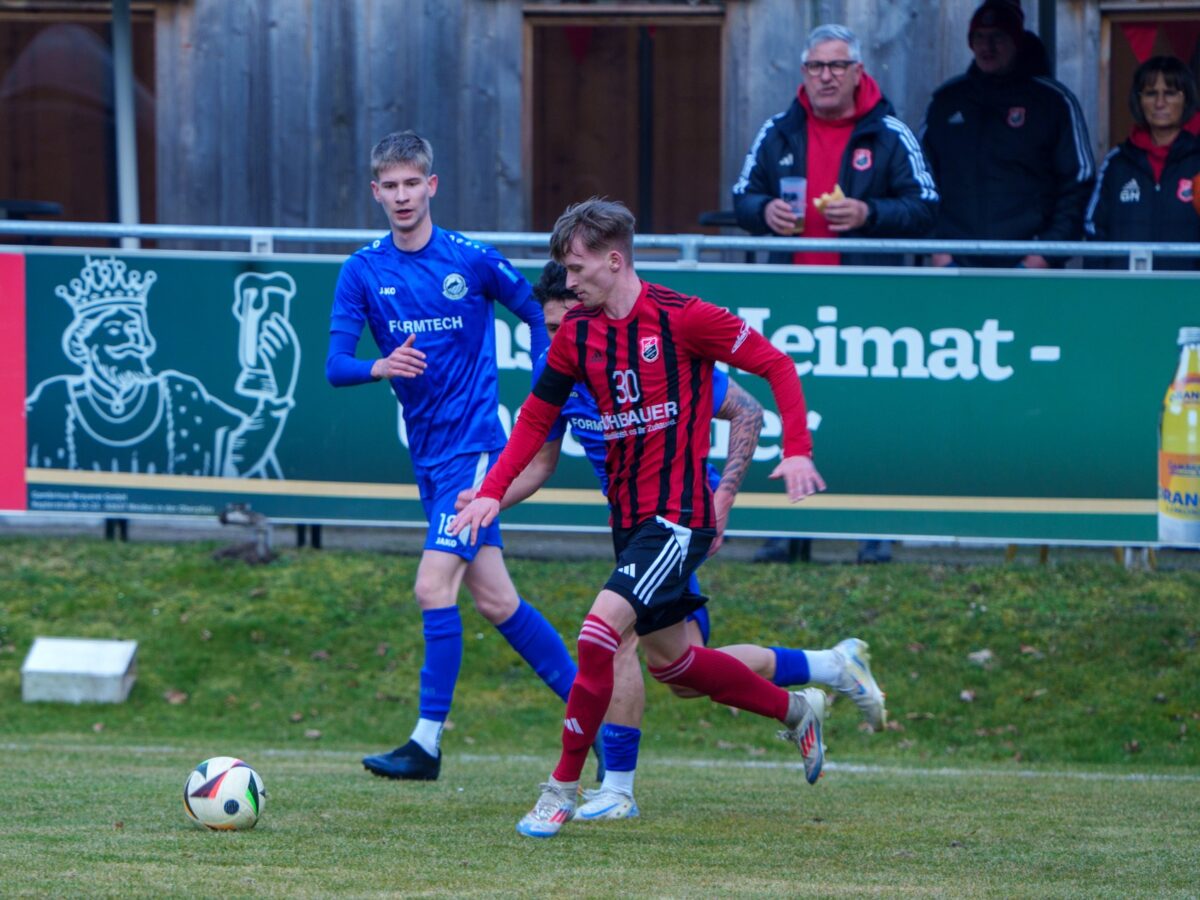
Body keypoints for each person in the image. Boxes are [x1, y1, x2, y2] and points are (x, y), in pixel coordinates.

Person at [454, 198, 839, 839]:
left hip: (679, 519)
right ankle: (797, 708)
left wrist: (797, 449)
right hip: (630, 520)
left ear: (614, 258)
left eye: (576, 268)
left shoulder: (686, 319)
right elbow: (534, 421)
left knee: (599, 634)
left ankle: (560, 790)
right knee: (678, 666)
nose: (568, 283)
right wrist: (493, 490)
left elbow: (776, 365)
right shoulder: (577, 334)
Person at [325, 130, 584, 781]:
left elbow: (540, 312)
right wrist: (379, 366)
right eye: (392, 185)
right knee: (496, 601)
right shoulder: (362, 270)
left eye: (415, 183)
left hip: (475, 450)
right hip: (430, 456)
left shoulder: (471, 259)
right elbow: (333, 366)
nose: (404, 195)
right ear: (377, 192)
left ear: (432, 186)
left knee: (431, 584)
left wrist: (545, 387)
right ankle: (597, 715)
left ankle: (426, 743)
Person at [732, 22, 936, 563]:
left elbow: (927, 207)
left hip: (869, 303)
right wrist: (764, 212)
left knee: (871, 414)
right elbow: (741, 197)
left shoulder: (890, 132)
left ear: (857, 73)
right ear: (804, 72)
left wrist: (871, 213)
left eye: (837, 66)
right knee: (792, 412)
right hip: (794, 301)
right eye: (816, 67)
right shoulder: (778, 130)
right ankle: (789, 531)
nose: (826, 76)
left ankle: (874, 531)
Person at [921, 0, 1095, 269]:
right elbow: (918, 179)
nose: (987, 47)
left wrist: (1048, 252)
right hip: (955, 266)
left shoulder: (1053, 101)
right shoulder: (947, 102)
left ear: (1016, 41)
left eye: (998, 37)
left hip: (1029, 269)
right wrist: (936, 246)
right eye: (979, 37)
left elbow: (1079, 183)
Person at [1085, 56, 1200, 269]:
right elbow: (1094, 231)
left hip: (1189, 295)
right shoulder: (1117, 163)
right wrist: (1098, 291)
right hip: (1125, 294)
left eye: (1170, 93)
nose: (1159, 103)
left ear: (1186, 100)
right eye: (1150, 93)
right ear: (1139, 101)